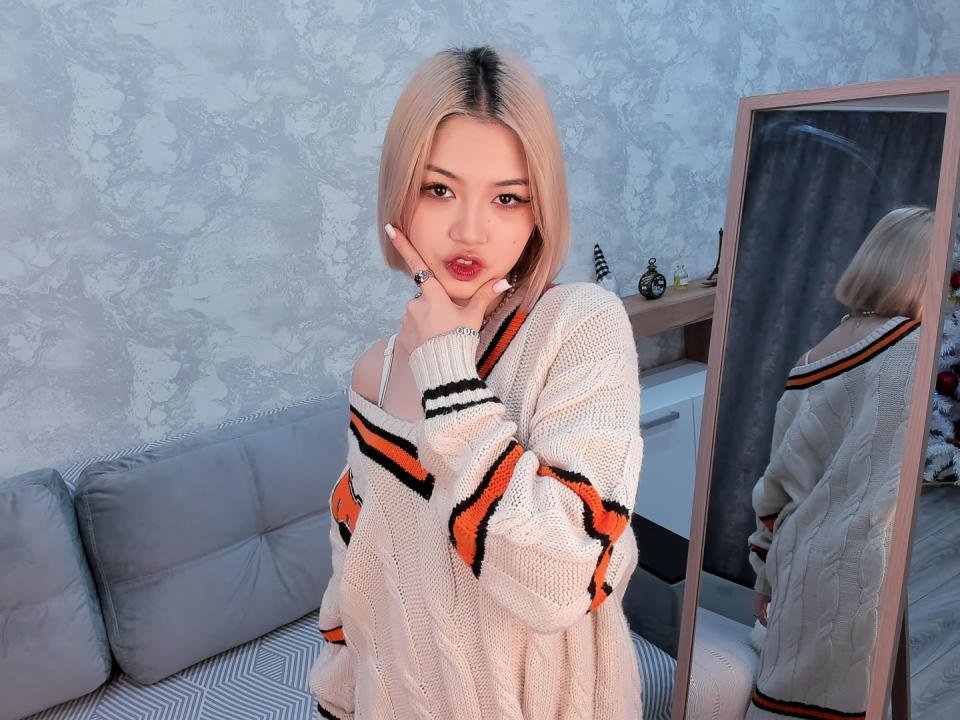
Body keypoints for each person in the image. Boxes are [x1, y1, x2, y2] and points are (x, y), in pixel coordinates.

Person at [308, 46, 644, 719]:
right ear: (400, 194)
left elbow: (559, 583)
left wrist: (449, 375)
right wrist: (339, 697)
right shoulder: (375, 371)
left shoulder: (579, 327)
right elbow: (358, 572)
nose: (470, 230)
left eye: (507, 198)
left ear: (539, 212)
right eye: (439, 190)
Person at [745, 206, 934, 719]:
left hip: (801, 567)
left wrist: (765, 577)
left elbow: (775, 491)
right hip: (865, 577)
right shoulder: (918, 350)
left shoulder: (814, 356)